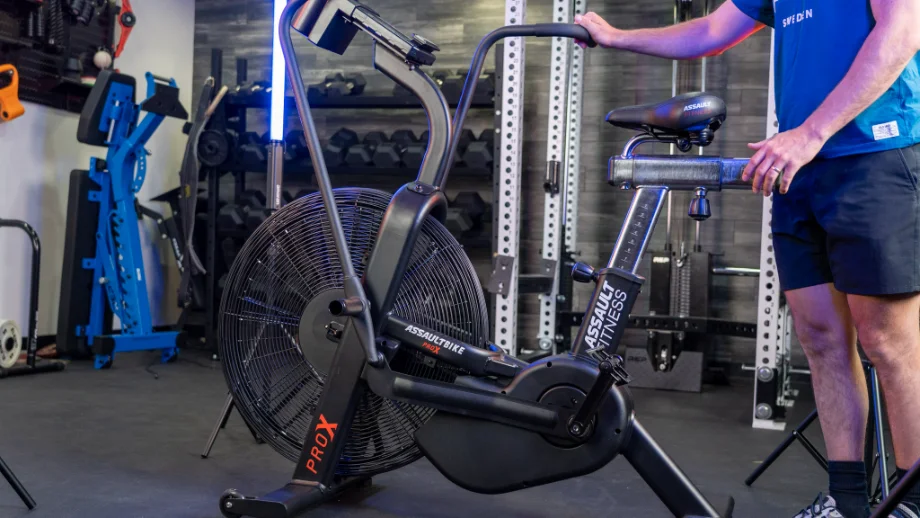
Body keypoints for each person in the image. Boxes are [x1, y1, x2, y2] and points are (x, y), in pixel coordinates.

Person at [576, 3, 920, 518]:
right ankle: (845, 502)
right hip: (800, 170)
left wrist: (810, 134)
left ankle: (912, 503)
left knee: (888, 343)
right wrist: (615, 36)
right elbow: (713, 30)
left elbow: (903, 31)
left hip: (873, 156)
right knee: (821, 339)